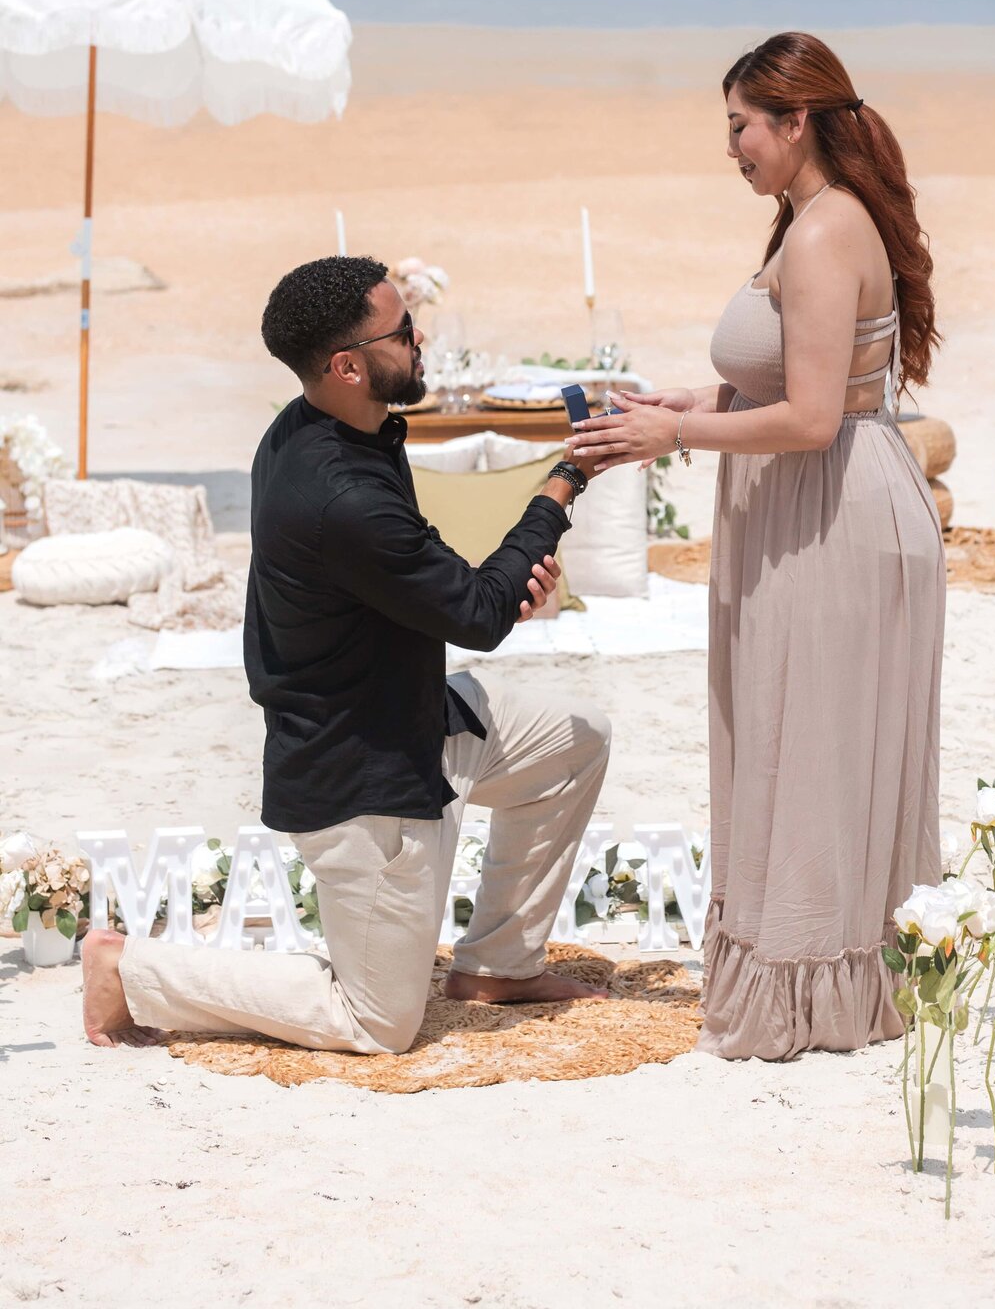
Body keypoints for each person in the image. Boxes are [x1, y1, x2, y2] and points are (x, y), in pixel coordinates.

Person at [82, 256, 608, 1052]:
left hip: (417, 716)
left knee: (576, 743)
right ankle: (131, 972)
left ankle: (498, 963)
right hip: (364, 778)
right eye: (403, 330)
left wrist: (491, 590)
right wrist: (565, 481)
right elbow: (478, 611)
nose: (420, 336)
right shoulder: (340, 496)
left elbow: (448, 595)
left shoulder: (325, 427)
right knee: (380, 1022)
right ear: (348, 365)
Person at [567, 32, 944, 1060]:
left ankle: (817, 984)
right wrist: (695, 397)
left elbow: (818, 417)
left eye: (740, 124)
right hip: (811, 505)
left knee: (812, 739)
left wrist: (674, 434)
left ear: (796, 120)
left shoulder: (825, 232)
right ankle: (821, 967)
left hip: (833, 512)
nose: (730, 145)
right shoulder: (807, 221)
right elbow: (804, 379)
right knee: (795, 730)